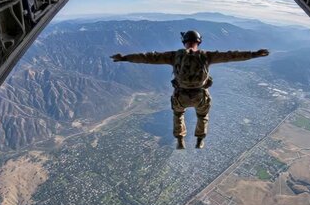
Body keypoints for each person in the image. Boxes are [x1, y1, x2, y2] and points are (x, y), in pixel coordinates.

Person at [111, 30, 269, 149]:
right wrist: (254, 54)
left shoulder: (174, 56)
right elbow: (232, 56)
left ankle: (180, 140)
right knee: (203, 116)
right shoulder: (206, 56)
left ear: (184, 41)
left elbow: (147, 57)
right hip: (200, 96)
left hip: (181, 96)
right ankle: (200, 140)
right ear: (199, 42)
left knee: (178, 115)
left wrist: (125, 57)